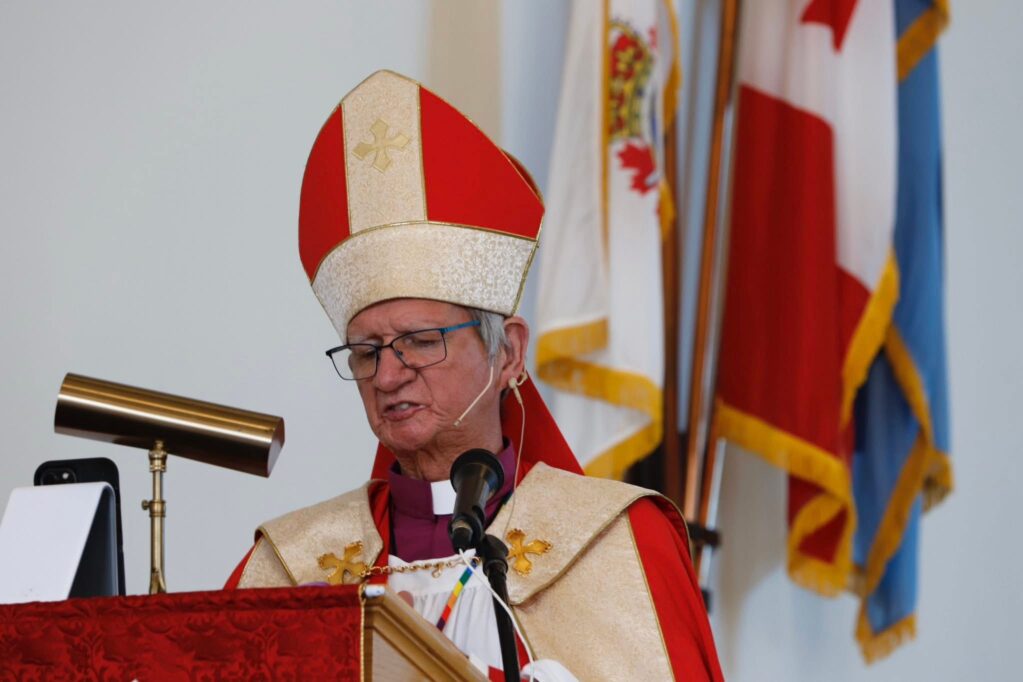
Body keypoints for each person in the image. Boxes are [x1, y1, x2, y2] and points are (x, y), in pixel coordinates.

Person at [225, 69, 723, 681]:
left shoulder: (618, 543)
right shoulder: (291, 568)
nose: (387, 375)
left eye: (420, 342)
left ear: (508, 354)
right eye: (365, 351)